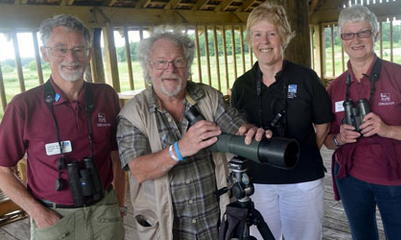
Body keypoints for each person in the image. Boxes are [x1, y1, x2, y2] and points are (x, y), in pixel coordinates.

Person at [116, 27, 269, 240]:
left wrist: (250, 132)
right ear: (148, 68)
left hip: (214, 222)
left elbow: (237, 127)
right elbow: (139, 170)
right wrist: (179, 149)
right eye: (161, 62)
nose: (170, 69)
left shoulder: (207, 96)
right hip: (166, 227)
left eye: (178, 61)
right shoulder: (133, 113)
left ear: (187, 66)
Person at [0, 14, 126, 240]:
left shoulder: (105, 95)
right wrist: (39, 213)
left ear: (88, 53)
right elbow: (2, 171)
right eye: (60, 49)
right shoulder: (24, 106)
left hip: (105, 212)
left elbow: (116, 156)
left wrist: (119, 203)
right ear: (44, 53)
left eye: (79, 49)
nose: (71, 57)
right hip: (53, 217)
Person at [324, 5, 401, 240]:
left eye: (363, 33)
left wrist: (386, 130)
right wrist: (340, 138)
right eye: (348, 34)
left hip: (397, 177)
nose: (356, 40)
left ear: (375, 35)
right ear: (341, 39)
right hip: (351, 179)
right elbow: (328, 141)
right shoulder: (335, 87)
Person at [230, 2, 332, 239]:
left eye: (271, 33)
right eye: (257, 34)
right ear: (250, 40)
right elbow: (235, 127)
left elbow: (324, 123)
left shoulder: (306, 78)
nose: (264, 41)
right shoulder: (242, 85)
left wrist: (300, 153)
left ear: (284, 38)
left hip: (302, 180)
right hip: (257, 182)